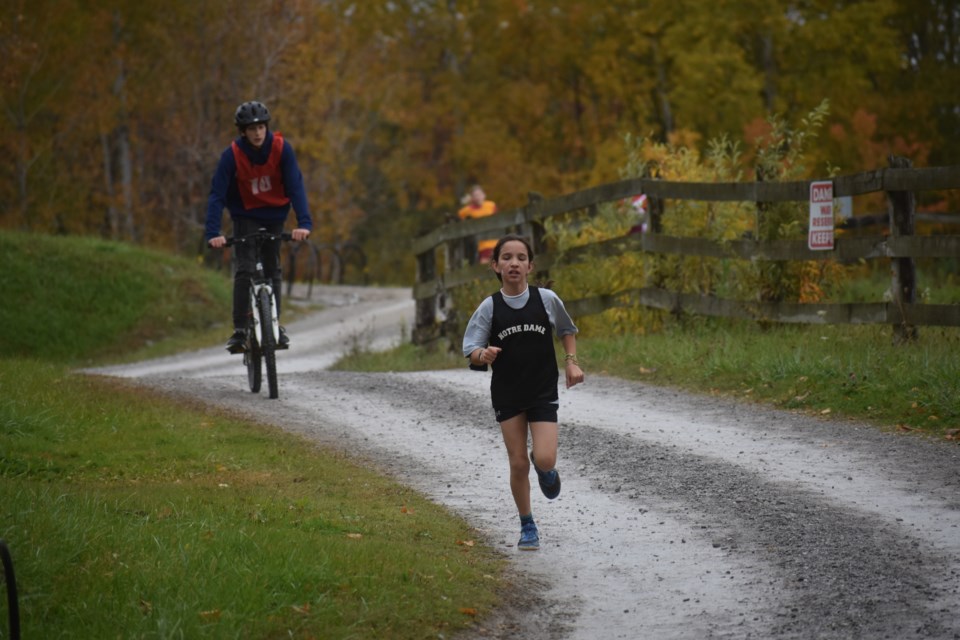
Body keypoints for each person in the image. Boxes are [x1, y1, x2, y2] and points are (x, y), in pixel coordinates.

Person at [462, 234, 585, 550]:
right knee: (518, 464)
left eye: (520, 258)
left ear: (530, 265)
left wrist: (571, 363)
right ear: (495, 266)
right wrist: (483, 355)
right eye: (506, 257)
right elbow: (471, 348)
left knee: (543, 459)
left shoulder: (546, 299)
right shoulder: (490, 307)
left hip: (542, 389)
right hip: (508, 393)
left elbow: (567, 331)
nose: (513, 263)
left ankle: (545, 469)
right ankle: (527, 524)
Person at [205, 100, 312, 353]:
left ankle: (275, 325)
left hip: (275, 214)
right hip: (245, 214)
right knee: (245, 268)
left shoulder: (282, 149)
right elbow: (216, 195)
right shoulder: (231, 155)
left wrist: (304, 223)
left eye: (261, 127)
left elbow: (296, 186)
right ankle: (240, 330)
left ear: (267, 127)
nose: (257, 133)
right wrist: (213, 233)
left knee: (273, 267)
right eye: (251, 128)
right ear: (242, 132)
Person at [457, 184, 498, 264]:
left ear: (484, 195)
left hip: (495, 240)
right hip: (481, 244)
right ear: (472, 198)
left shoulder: (491, 205)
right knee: (484, 264)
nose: (478, 197)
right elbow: (459, 216)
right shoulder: (468, 210)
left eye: (479, 194)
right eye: (475, 195)